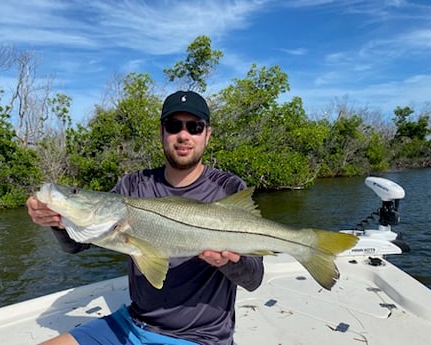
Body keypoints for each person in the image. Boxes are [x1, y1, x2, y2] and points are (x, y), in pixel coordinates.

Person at [27, 90, 264, 345]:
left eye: (194, 127)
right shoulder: (133, 185)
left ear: (207, 134)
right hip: (132, 323)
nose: (183, 135)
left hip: (200, 337)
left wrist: (227, 262)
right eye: (174, 126)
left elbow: (254, 279)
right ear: (162, 132)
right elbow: (77, 244)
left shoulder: (228, 188)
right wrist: (58, 221)